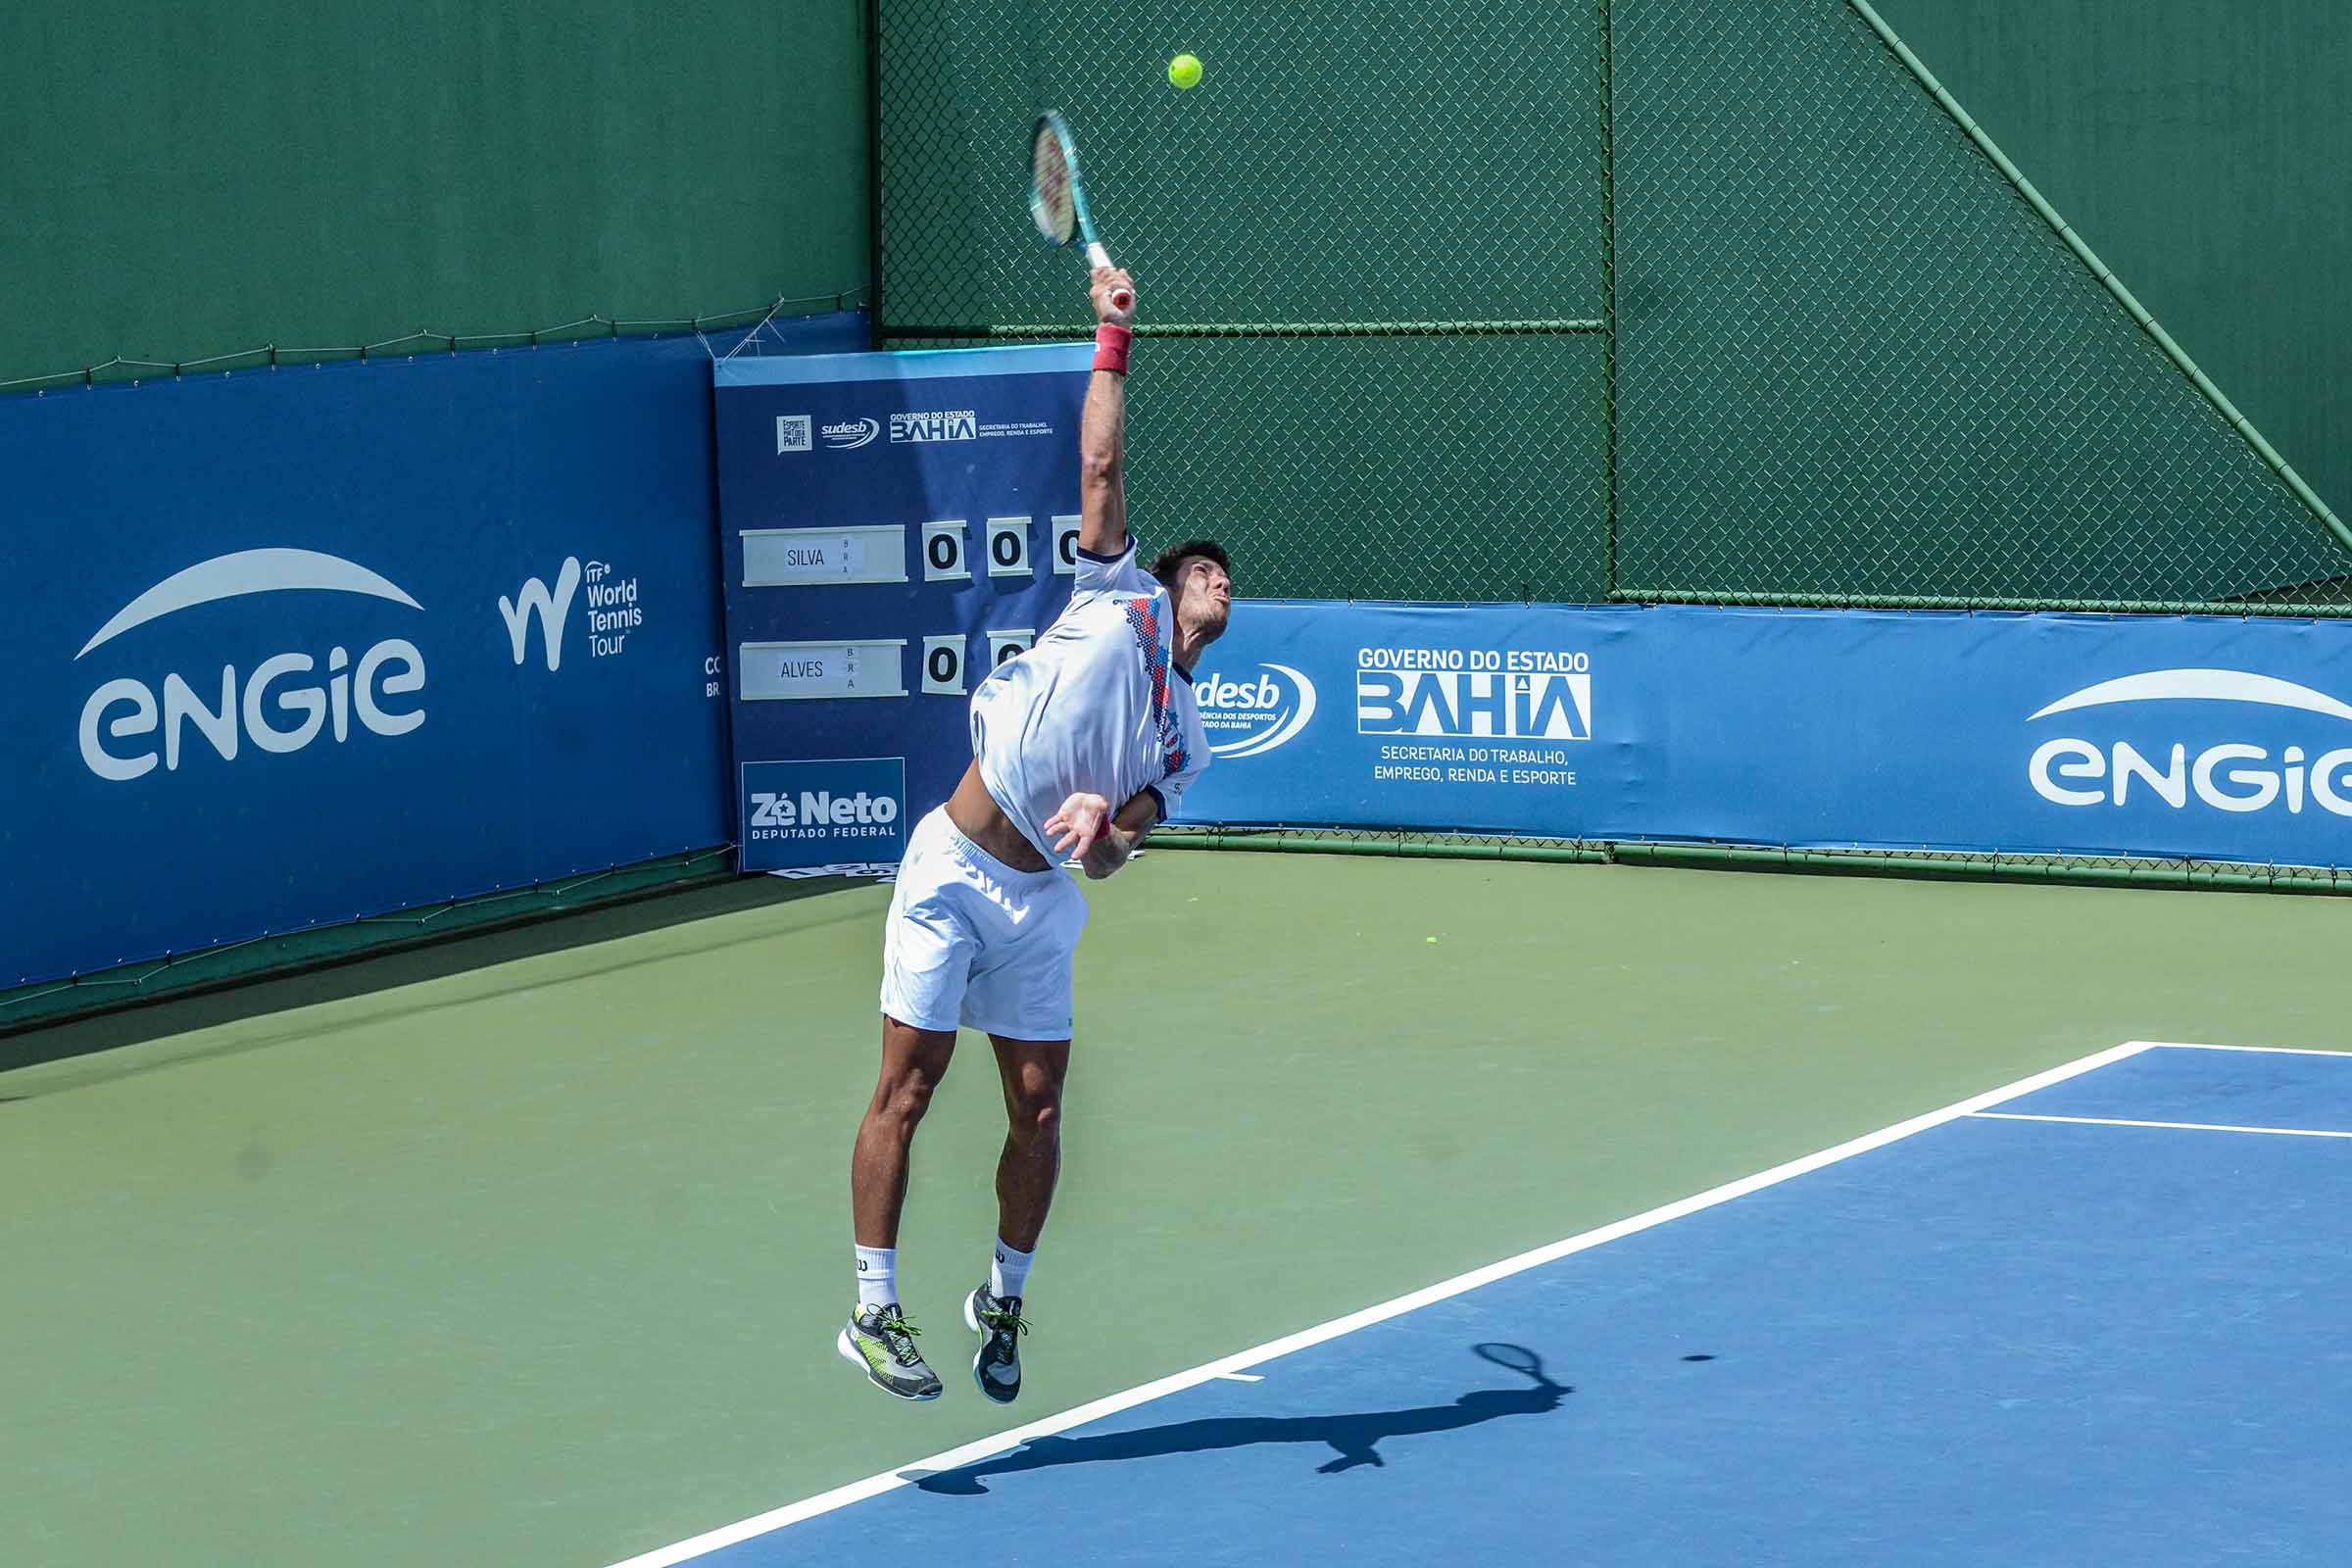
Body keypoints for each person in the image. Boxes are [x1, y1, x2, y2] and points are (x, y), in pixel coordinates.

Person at [837, 267, 1235, 1403]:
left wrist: (1106, 826)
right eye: (1201, 566)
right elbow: (1100, 463)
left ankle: (1002, 1299)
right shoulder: (1115, 594)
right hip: (952, 869)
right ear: (1165, 578)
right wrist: (1112, 333)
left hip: (1039, 909)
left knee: (1040, 1108)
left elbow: (1118, 852)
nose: (1216, 578)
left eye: (1227, 579)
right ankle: (873, 1311)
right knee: (907, 1088)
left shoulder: (1185, 740)